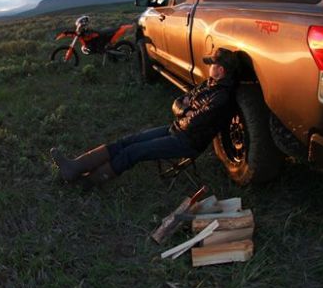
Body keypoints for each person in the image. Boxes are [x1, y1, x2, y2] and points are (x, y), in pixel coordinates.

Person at [50, 48, 238, 188]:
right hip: (176, 129)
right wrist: (185, 110)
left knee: (133, 151)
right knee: (126, 141)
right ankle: (75, 167)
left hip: (187, 142)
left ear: (220, 70)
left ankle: (86, 183)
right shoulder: (209, 84)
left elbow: (195, 122)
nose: (209, 66)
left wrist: (187, 109)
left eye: (212, 64)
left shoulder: (221, 97)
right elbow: (178, 102)